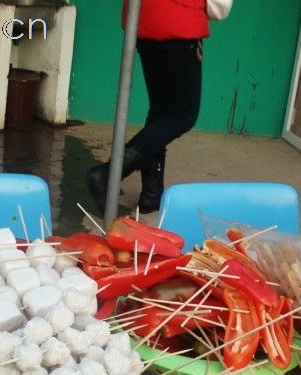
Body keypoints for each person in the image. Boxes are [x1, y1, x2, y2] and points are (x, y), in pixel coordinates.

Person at [86, 0, 210, 215]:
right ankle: (107, 174)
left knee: (161, 109)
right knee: (183, 114)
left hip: (144, 22)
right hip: (179, 22)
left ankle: (151, 195)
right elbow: (220, 6)